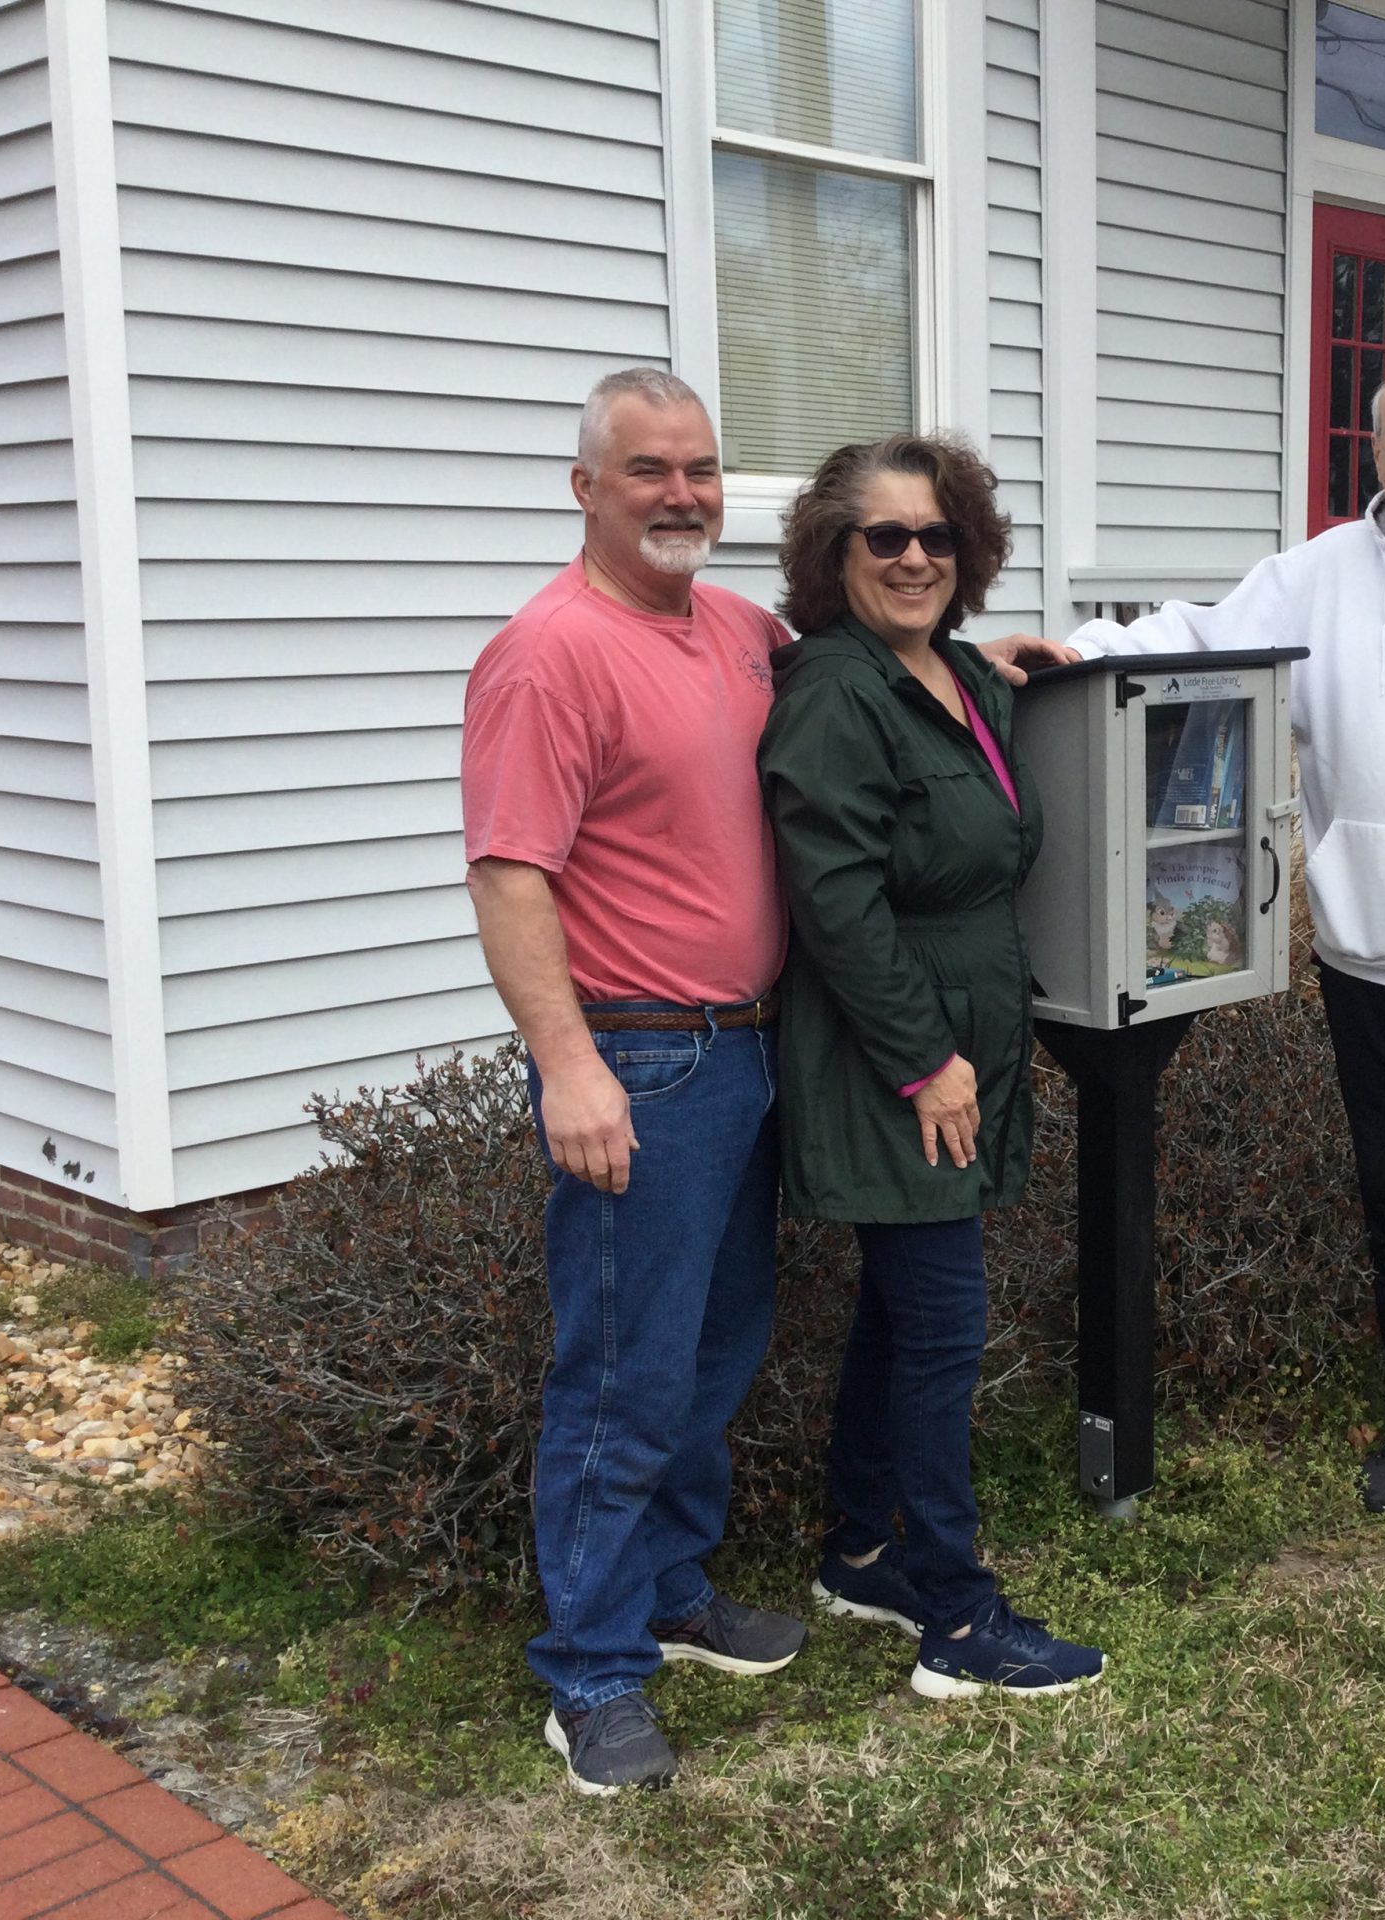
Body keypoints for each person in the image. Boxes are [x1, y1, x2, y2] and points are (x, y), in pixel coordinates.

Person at [988, 360, 1385, 1603]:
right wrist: (1075, 648)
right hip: (1367, 968)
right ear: (1376, 451)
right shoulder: (1320, 572)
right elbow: (1196, 632)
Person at [462, 367, 805, 1797]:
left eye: (702, 469)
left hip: (755, 1048)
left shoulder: (741, 629)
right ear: (587, 487)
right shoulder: (548, 652)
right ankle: (592, 1675)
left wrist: (1002, 667)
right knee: (618, 1374)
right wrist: (569, 1065)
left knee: (711, 1353)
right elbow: (509, 870)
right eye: (649, 469)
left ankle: (669, 1589)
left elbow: (870, 685)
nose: (683, 495)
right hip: (643, 1062)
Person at [758, 432, 1106, 1698]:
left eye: (936, 537)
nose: (914, 558)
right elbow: (835, 897)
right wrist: (925, 1063)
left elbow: (970, 736)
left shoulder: (949, 671)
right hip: (895, 1043)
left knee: (901, 1309)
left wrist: (1007, 668)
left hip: (961, 1026)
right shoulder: (834, 691)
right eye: (884, 538)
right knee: (944, 1325)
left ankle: (859, 1550)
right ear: (831, 554)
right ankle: (957, 1619)